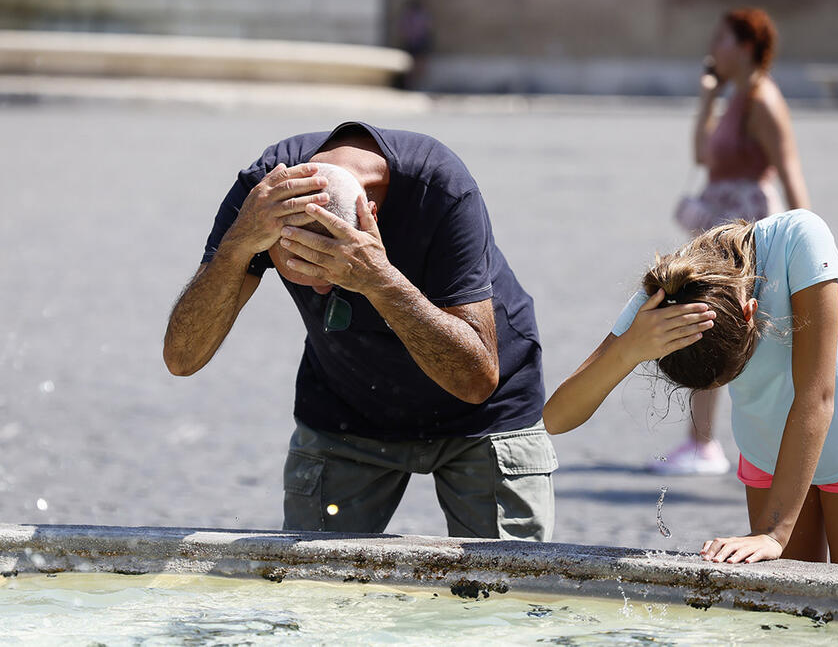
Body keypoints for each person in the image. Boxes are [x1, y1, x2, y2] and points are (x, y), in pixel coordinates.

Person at [163, 122, 557, 541]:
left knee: (507, 596)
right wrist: (237, 245)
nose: (319, 290)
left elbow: (476, 380)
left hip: (486, 412)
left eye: (330, 271)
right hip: (348, 408)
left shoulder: (441, 188)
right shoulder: (261, 199)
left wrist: (378, 279)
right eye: (296, 267)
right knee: (311, 593)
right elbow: (182, 357)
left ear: (372, 216)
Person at [543, 210, 838, 568]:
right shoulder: (668, 294)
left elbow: (815, 395)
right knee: (791, 626)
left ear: (750, 311)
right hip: (768, 449)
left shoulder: (800, 237)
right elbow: (557, 418)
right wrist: (628, 348)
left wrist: (774, 532)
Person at [663, 7, 812, 476]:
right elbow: (704, 155)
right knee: (711, 321)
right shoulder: (736, 96)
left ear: (746, 47)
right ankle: (702, 441)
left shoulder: (763, 99)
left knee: (720, 324)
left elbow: (789, 171)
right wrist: (707, 101)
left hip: (746, 229)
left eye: (721, 40)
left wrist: (809, 243)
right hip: (721, 226)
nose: (712, 50)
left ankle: (711, 443)